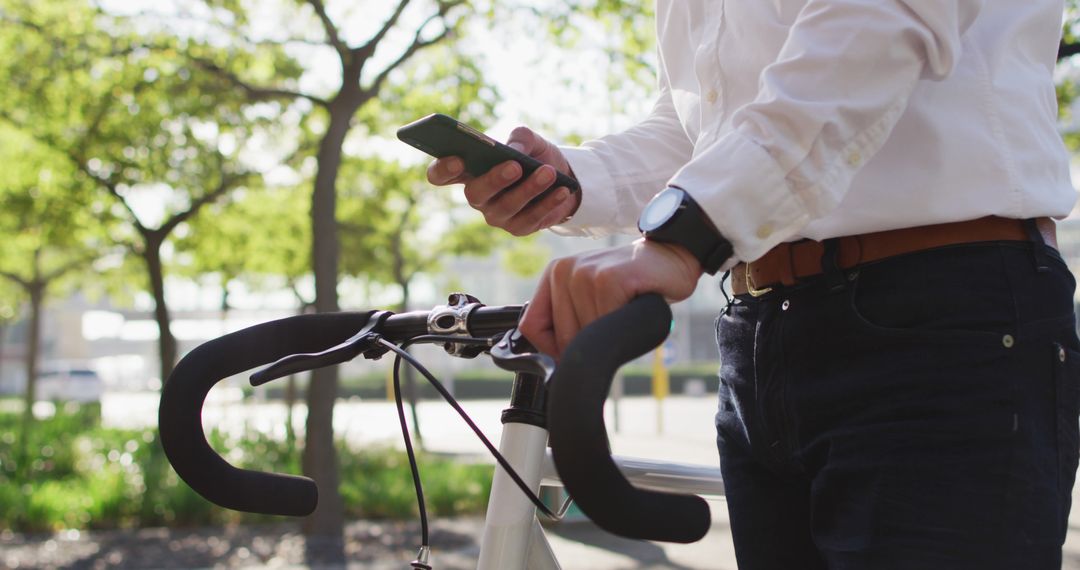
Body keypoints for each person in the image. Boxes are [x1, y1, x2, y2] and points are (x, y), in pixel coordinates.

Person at [428, 1, 1079, 568]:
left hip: (941, 316)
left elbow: (873, 27)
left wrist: (688, 233)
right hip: (760, 327)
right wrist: (574, 182)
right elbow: (700, 129)